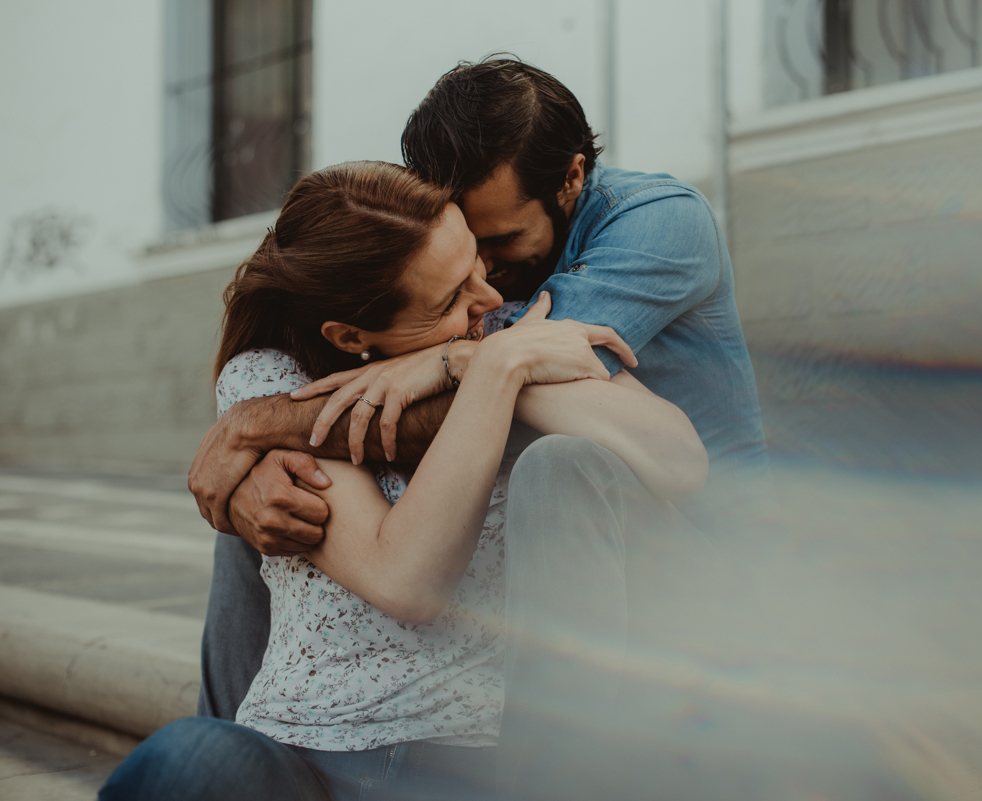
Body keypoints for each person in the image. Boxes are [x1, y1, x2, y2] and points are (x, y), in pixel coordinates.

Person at [186, 58, 773, 797]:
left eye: (497, 241)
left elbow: (515, 389)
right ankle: (236, 741)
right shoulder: (459, 265)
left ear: (569, 180)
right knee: (271, 503)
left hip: (694, 537)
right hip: (574, 522)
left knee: (556, 464)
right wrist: (250, 458)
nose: (490, 280)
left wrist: (256, 424)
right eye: (464, 240)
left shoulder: (658, 224)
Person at [101, 161, 706, 800]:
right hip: (301, 755)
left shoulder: (512, 330)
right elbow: (408, 579)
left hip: (469, 764)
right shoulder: (274, 379)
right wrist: (493, 370)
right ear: (350, 335)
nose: (491, 299)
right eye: (449, 300)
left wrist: (482, 357)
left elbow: (678, 459)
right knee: (183, 761)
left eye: (476, 261)